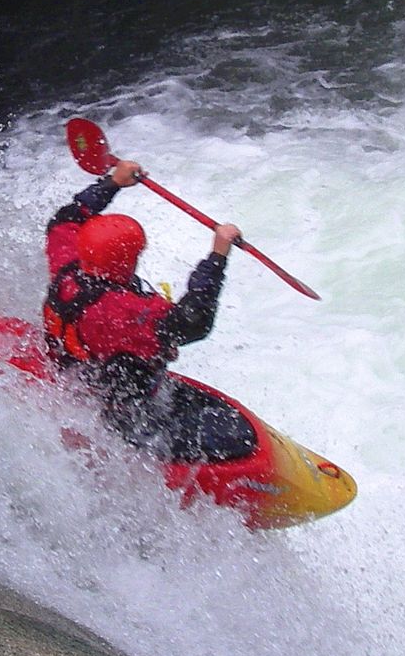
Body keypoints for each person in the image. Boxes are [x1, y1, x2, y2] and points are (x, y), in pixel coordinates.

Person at [42, 159, 258, 463]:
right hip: (123, 406)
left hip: (74, 368)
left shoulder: (67, 261)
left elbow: (67, 217)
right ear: (126, 260)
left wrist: (113, 182)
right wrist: (217, 256)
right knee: (235, 440)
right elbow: (193, 322)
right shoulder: (123, 312)